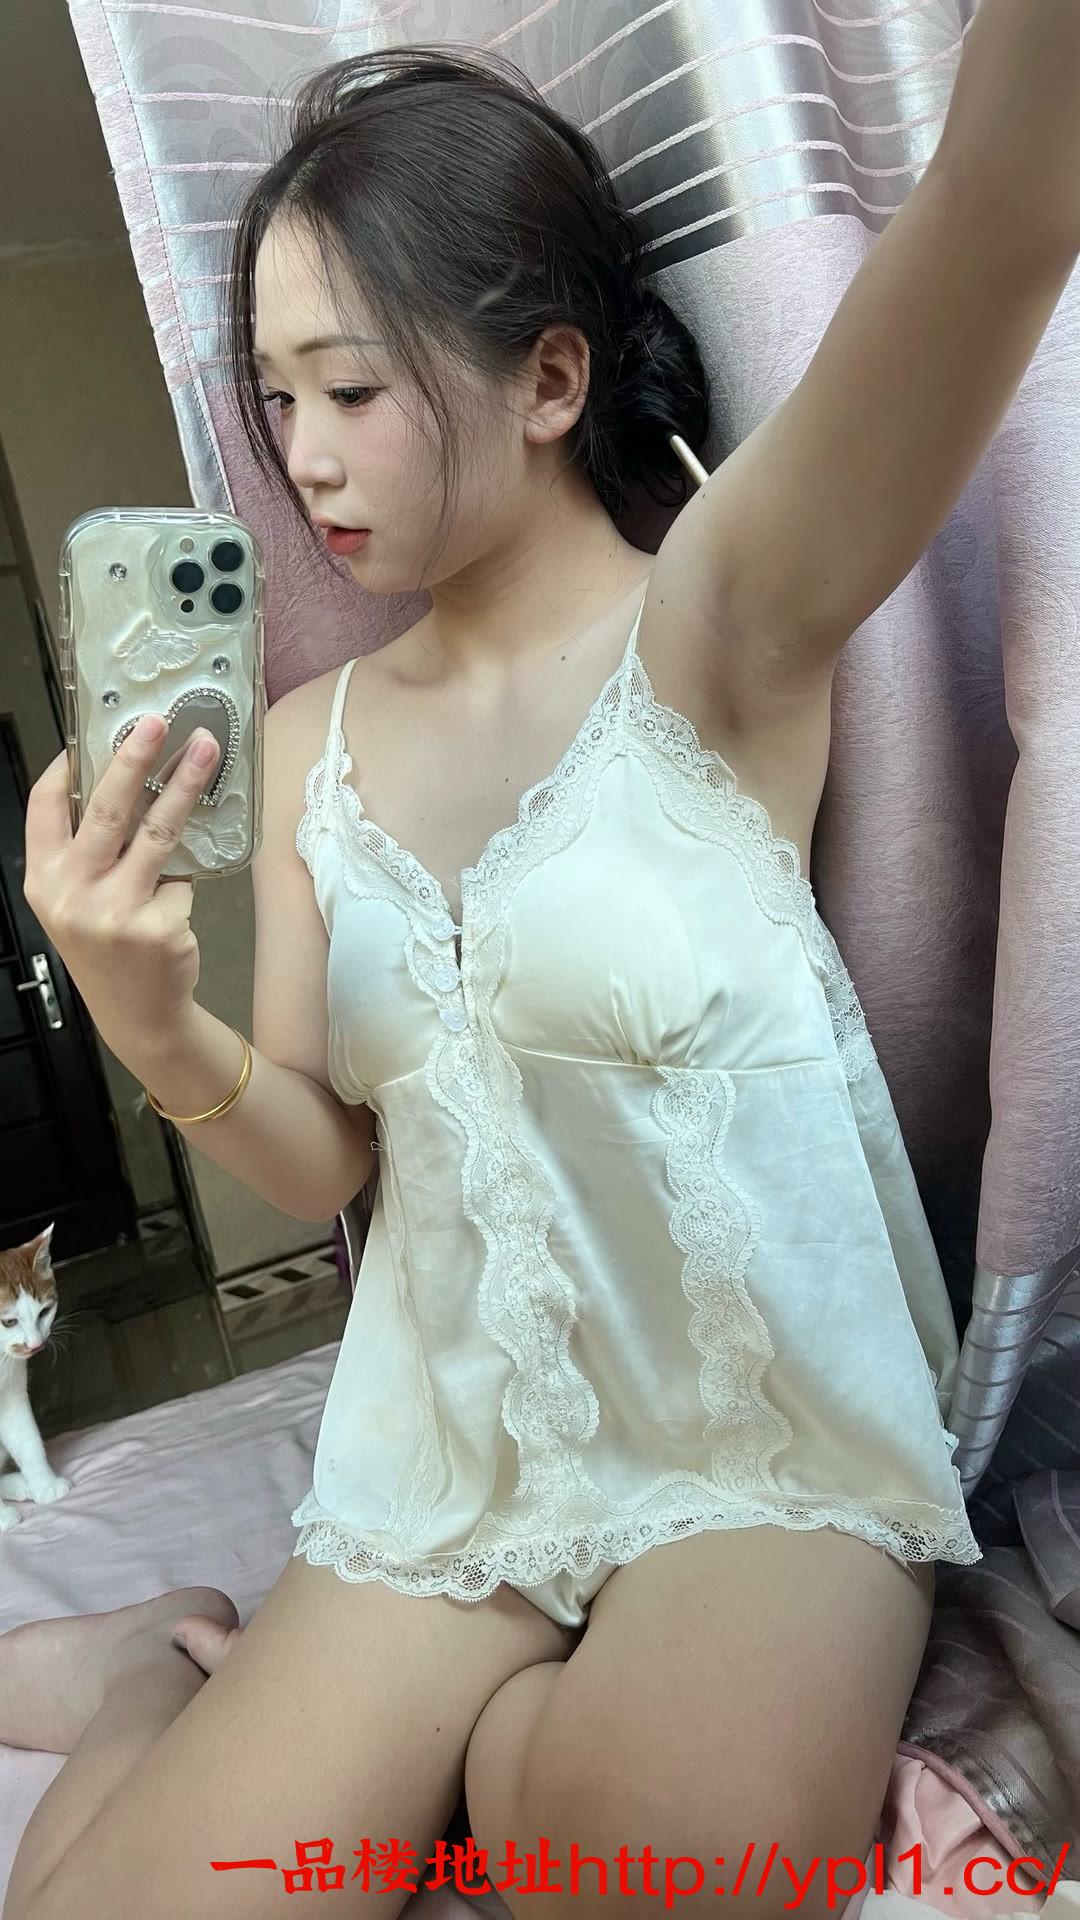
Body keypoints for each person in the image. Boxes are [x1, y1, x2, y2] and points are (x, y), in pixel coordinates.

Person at [6, 13, 1080, 1918]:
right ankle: (150, 1674)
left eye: (352, 389)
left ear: (550, 379)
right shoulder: (314, 740)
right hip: (451, 1455)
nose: (305, 460)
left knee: (667, 1880)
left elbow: (999, 214)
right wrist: (151, 1021)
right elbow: (331, 1162)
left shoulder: (723, 623)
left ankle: (490, 1751)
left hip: (757, 1444)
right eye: (278, 403)